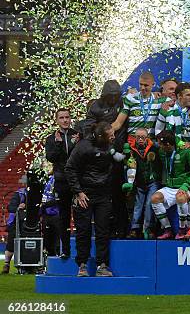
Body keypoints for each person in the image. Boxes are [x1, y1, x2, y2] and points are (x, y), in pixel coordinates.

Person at [65, 122, 116, 277]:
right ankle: (82, 265)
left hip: (103, 195)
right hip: (85, 195)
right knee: (83, 230)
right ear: (101, 136)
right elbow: (70, 168)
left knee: (103, 231)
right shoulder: (83, 147)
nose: (114, 136)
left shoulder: (110, 146)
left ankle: (102, 265)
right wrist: (78, 192)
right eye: (111, 134)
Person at [86, 79, 129, 239]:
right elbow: (89, 129)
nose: (112, 98)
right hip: (103, 157)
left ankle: (122, 228)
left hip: (122, 154)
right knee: (104, 196)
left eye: (115, 95)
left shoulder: (124, 102)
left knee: (120, 195)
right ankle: (106, 229)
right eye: (110, 95)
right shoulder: (96, 107)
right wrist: (102, 144)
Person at [151, 130, 190, 240]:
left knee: (180, 197)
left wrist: (186, 185)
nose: (159, 147)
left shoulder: (187, 151)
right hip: (170, 186)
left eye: (161, 145)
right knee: (155, 199)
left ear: (168, 145)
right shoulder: (162, 151)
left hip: (184, 185)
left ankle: (182, 229)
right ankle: (167, 230)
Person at [44, 108, 80, 259]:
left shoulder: (77, 135)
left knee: (80, 216)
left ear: (70, 119)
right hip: (61, 181)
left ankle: (81, 251)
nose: (65, 120)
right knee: (63, 217)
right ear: (57, 120)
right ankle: (65, 250)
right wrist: (59, 144)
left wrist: (76, 144)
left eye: (67, 117)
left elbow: (80, 155)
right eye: (61, 118)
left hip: (77, 180)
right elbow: (51, 158)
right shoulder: (51, 138)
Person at [122, 127, 162, 239]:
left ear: (147, 138)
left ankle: (148, 229)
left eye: (143, 137)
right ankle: (134, 229)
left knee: (150, 204)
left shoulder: (155, 148)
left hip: (152, 182)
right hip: (139, 183)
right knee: (138, 206)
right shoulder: (130, 150)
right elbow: (127, 167)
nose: (140, 139)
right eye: (138, 137)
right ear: (134, 138)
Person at [112, 72, 166, 139]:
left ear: (153, 84)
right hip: (133, 141)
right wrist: (106, 131)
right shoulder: (130, 99)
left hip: (151, 142)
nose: (142, 88)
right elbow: (118, 123)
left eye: (146, 85)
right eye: (141, 84)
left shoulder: (159, 100)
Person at [155, 82, 190, 150]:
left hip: (189, 151)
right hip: (170, 149)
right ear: (179, 96)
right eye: (188, 95)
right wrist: (163, 142)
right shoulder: (166, 109)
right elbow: (158, 129)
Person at [2, 188, 26, 274]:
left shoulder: (38, 194)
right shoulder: (19, 193)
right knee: (11, 243)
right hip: (15, 222)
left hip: (30, 223)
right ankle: (6, 264)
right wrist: (18, 207)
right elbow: (10, 207)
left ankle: (28, 265)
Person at [41, 174, 62, 256]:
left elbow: (59, 199)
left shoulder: (59, 179)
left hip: (56, 214)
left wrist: (45, 205)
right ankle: (50, 258)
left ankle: (59, 258)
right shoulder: (47, 179)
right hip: (46, 214)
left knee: (57, 238)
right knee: (47, 239)